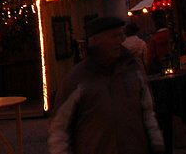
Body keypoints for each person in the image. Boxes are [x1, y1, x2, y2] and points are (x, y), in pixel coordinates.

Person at [48, 16, 164, 154]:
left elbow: (148, 113)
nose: (120, 41)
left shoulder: (132, 71)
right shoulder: (78, 79)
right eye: (114, 36)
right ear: (96, 41)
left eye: (121, 35)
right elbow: (59, 130)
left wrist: (157, 144)